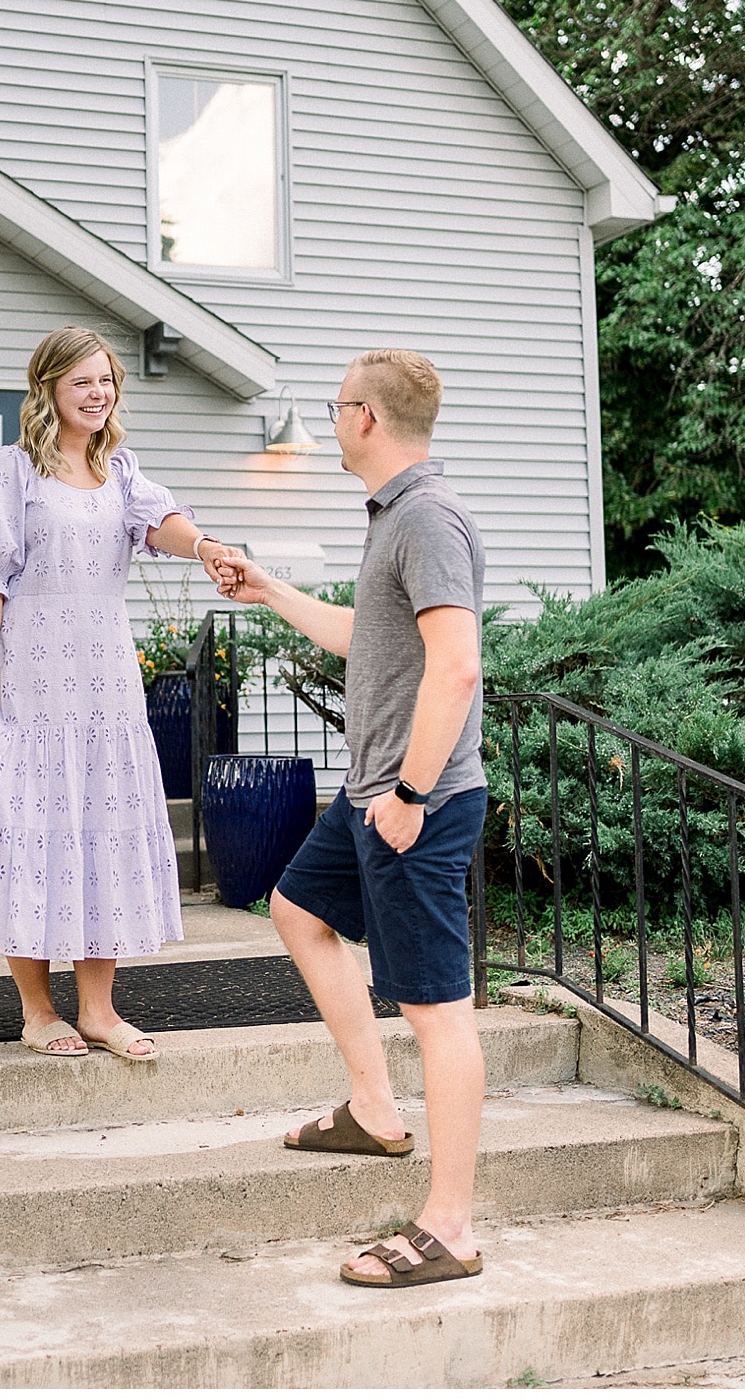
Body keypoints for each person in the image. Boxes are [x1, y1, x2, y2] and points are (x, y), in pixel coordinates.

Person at [215, 348, 488, 1288]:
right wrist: (269, 591)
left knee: (436, 1009)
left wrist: (412, 796)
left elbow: (456, 666)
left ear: (366, 417)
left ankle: (448, 1228)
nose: (332, 421)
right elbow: (361, 635)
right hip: (372, 793)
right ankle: (375, 1110)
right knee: (297, 909)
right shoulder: (394, 520)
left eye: (336, 407)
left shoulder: (428, 519)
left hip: (421, 799)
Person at [0, 324, 240, 1060]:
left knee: (100, 838)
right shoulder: (8, 473)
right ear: (47, 387)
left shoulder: (122, 471)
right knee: (32, 835)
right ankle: (38, 1009)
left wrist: (204, 546)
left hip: (106, 688)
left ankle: (100, 1011)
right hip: (31, 689)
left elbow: (162, 523)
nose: (97, 393)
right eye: (82, 381)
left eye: (106, 380)